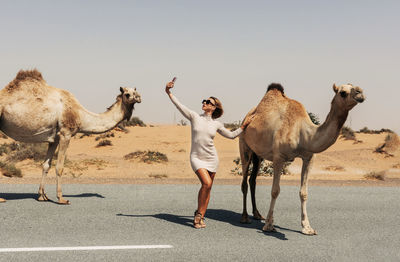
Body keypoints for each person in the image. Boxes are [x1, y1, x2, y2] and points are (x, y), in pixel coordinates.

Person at [165, 79, 254, 229]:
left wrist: (244, 126)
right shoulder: (194, 117)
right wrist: (168, 92)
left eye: (209, 102)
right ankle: (198, 215)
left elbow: (232, 136)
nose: (205, 102)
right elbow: (179, 105)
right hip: (196, 158)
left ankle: (201, 216)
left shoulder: (217, 124)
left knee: (208, 187)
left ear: (214, 108)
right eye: (205, 101)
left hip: (212, 159)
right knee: (206, 183)